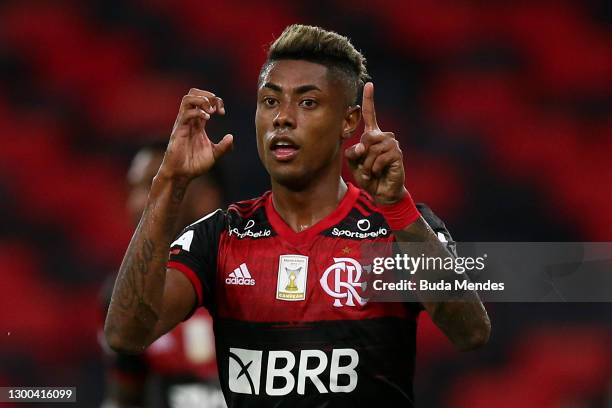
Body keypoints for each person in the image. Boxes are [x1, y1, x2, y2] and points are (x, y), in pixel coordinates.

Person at [105, 24, 490, 407]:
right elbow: (126, 335)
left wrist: (396, 207)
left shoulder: (394, 229)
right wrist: (169, 181)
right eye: (270, 101)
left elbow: (470, 331)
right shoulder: (221, 236)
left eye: (307, 102)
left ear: (349, 121)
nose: (282, 118)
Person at [100, 144, 226, 408]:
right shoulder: (125, 297)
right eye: (133, 189)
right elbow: (124, 399)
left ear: (205, 197)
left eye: (156, 187)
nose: (135, 203)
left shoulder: (260, 272)